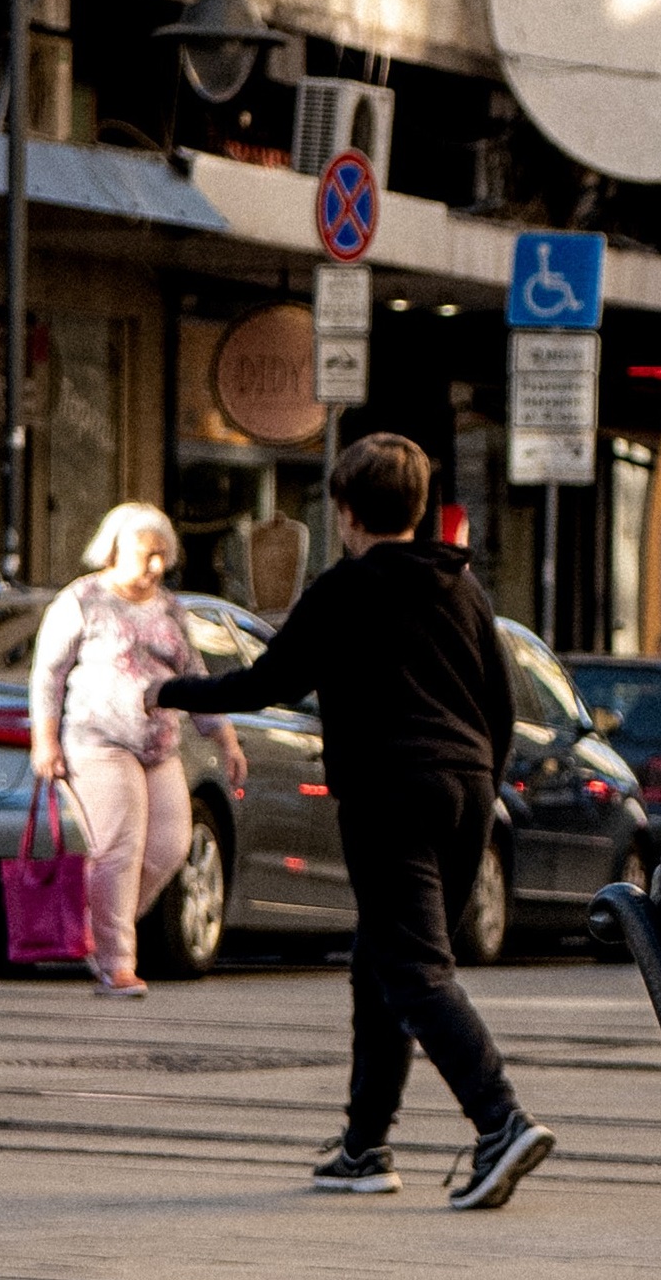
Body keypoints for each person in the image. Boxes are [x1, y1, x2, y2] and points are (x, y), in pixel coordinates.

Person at [157, 435, 555, 1209]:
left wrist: (170, 694)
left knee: (412, 968)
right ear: (416, 508)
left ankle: (499, 1119)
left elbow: (268, 682)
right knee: (379, 966)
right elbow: (502, 704)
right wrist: (478, 777)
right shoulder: (463, 588)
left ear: (344, 513)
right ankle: (363, 1146)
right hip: (467, 792)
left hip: (389, 792)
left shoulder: (346, 588)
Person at [29, 503, 224, 1000]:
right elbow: (48, 673)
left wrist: (223, 738)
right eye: (148, 554)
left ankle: (93, 926)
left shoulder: (171, 609)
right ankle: (117, 963)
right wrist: (44, 740)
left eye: (164, 555)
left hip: (159, 744)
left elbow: (195, 676)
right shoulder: (83, 599)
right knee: (118, 849)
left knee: (170, 846)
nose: (158, 566)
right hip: (99, 740)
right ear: (115, 548)